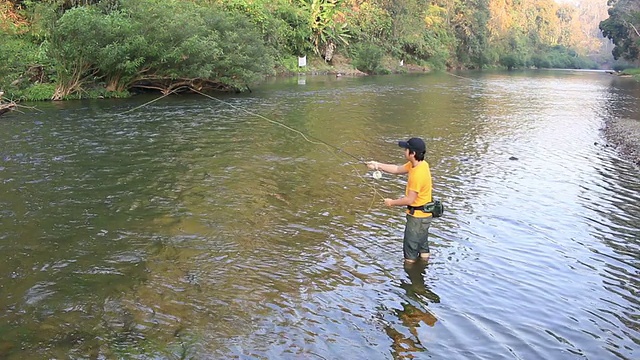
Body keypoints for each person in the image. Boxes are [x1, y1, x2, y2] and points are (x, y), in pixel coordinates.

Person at [366, 137, 433, 263]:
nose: (404, 151)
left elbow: (409, 200)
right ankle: (423, 269)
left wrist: (391, 202)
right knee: (423, 248)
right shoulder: (420, 165)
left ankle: (411, 278)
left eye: (406, 149)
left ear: (412, 153)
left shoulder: (418, 174)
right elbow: (397, 169)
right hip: (425, 216)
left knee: (410, 254)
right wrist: (377, 165)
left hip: (416, 218)